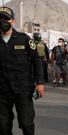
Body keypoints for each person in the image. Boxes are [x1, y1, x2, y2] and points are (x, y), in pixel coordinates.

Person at [0, 7, 45, 135]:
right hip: (2, 91)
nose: (2, 21)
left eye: (6, 19)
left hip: (23, 90)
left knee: (26, 124)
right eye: (0, 19)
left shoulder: (24, 39)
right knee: (2, 126)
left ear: (13, 21)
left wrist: (40, 82)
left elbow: (36, 60)